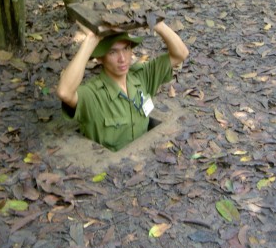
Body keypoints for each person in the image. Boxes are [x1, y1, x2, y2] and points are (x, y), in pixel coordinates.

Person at [57, 20, 189, 152]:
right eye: (112, 52)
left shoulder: (141, 76)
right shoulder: (93, 95)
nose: (122, 59)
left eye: (126, 49)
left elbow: (181, 54)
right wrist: (91, 40)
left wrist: (157, 23)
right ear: (100, 58)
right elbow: (64, 92)